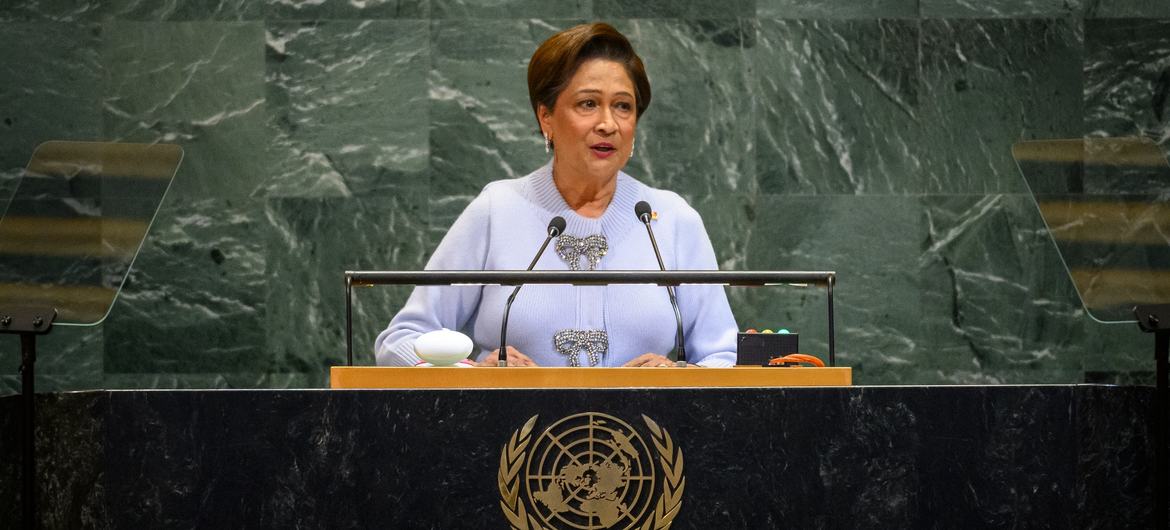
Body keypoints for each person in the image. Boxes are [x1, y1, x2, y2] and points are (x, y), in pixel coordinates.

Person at [375, 22, 737, 368]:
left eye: (623, 106)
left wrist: (679, 377)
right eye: (588, 104)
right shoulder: (497, 210)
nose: (608, 124)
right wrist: (476, 374)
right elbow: (402, 340)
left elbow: (726, 355)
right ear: (546, 117)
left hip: (646, 415)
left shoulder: (669, 219)